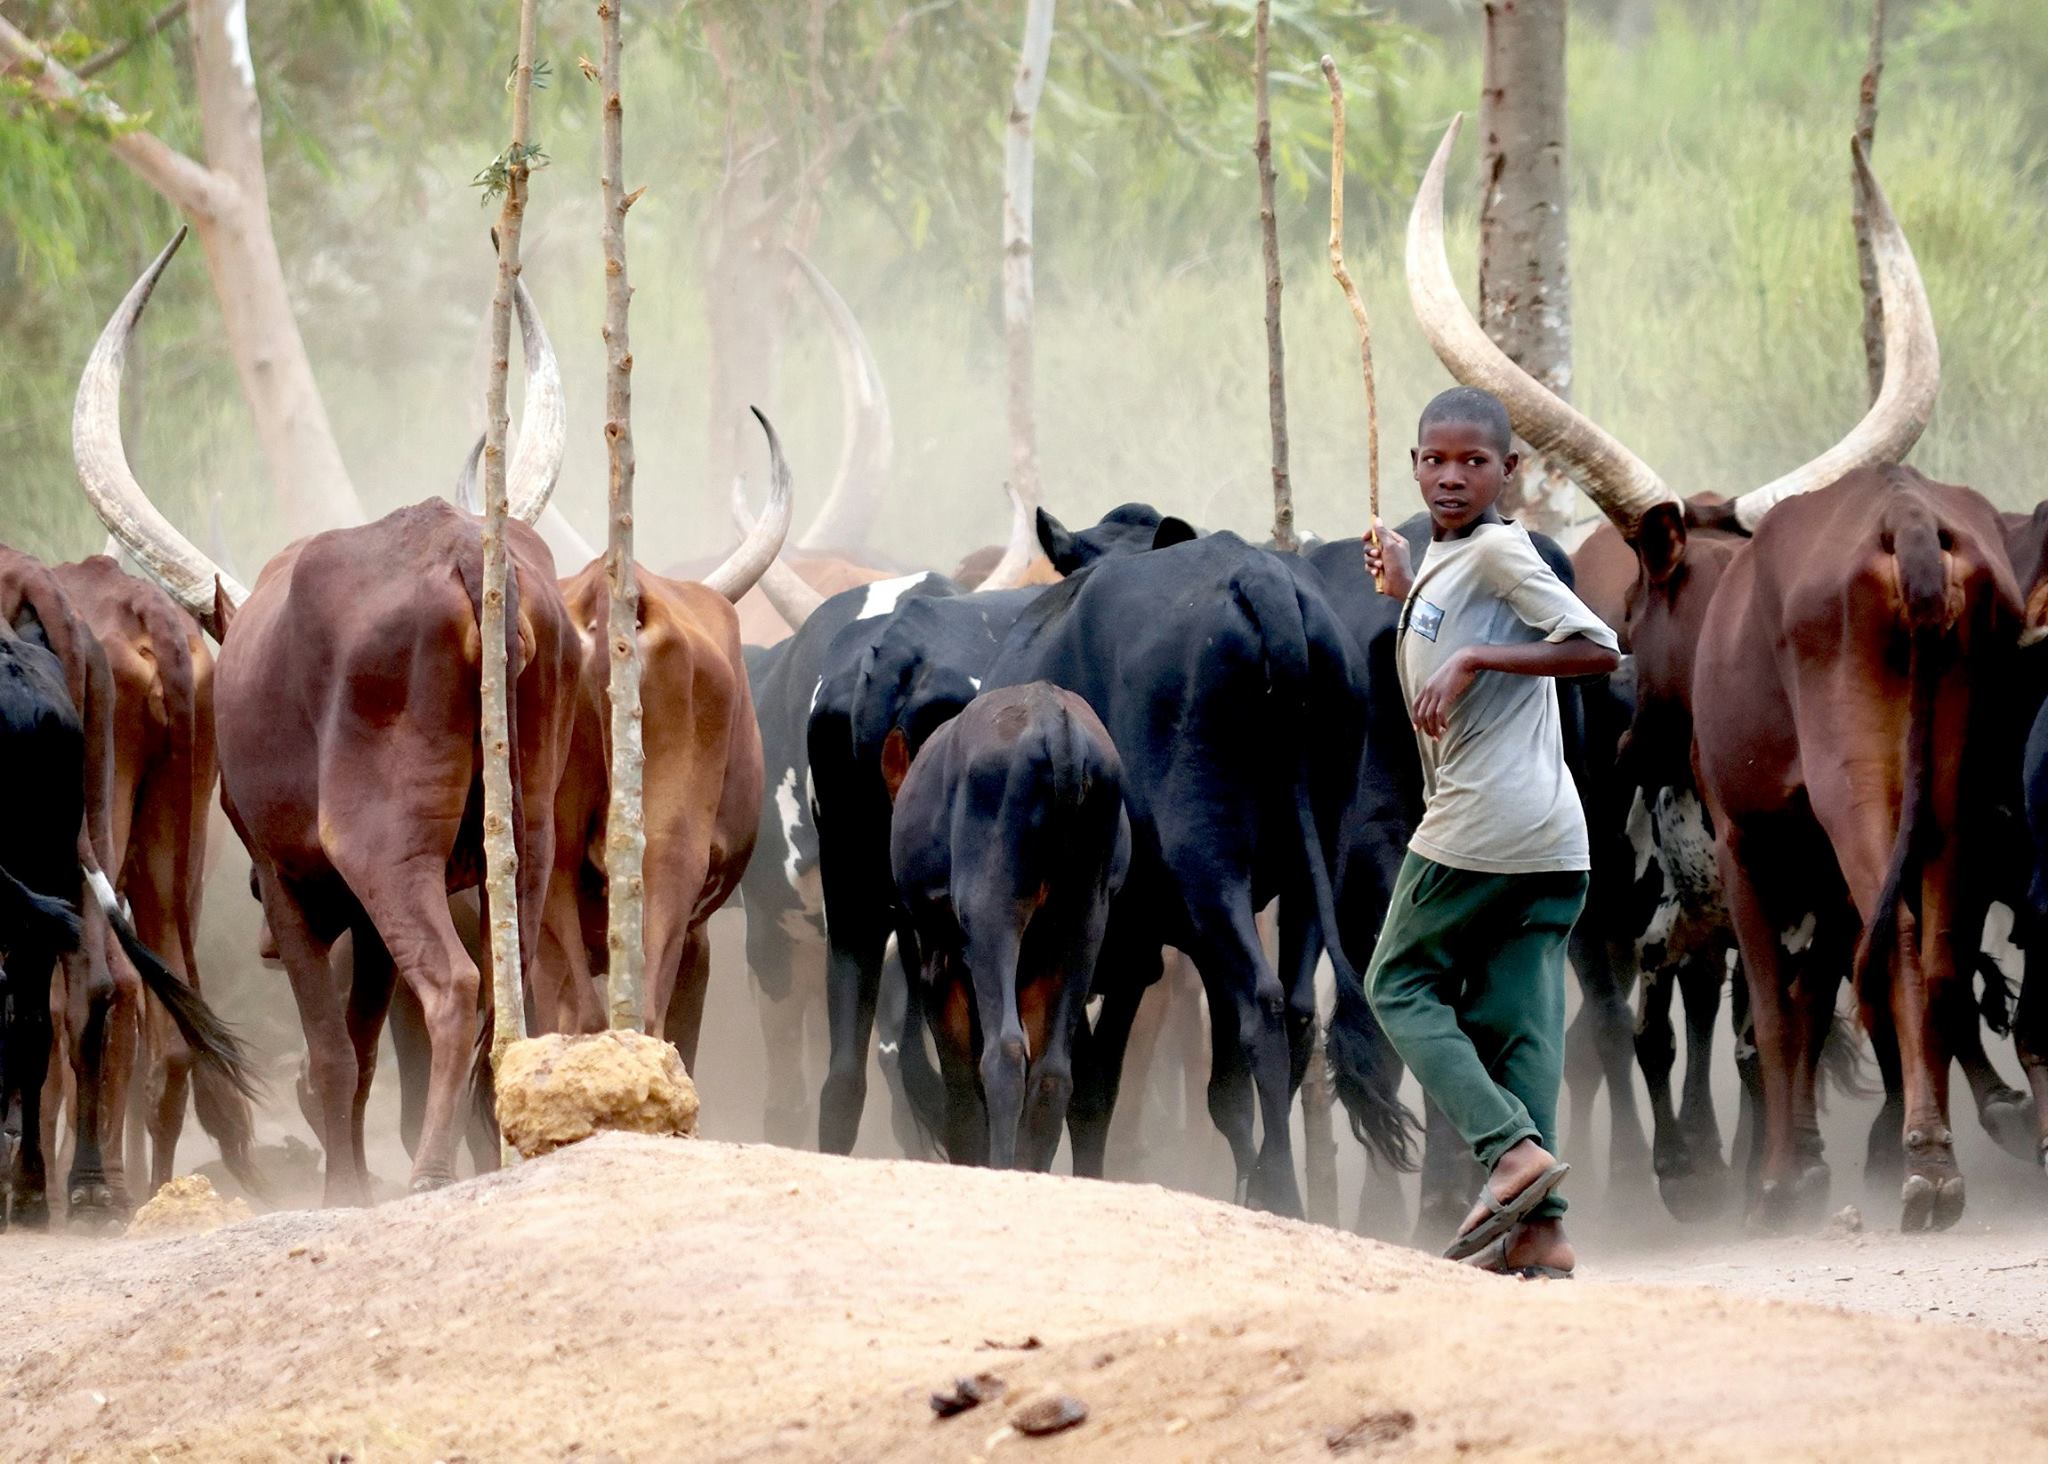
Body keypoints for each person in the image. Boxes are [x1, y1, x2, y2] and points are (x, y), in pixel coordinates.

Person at [1361, 386, 1620, 1280]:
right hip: (1552, 838)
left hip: (1482, 821)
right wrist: (1407, 585)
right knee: (1522, 1023)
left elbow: (1598, 649)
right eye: (1434, 459)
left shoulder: (1505, 550)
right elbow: (1450, 614)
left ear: (1511, 471)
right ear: (1413, 465)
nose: (1451, 476)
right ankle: (1542, 1232)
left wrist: (1475, 659)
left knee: (1395, 983)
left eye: (1474, 462)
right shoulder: (1453, 559)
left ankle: (1508, 1150)